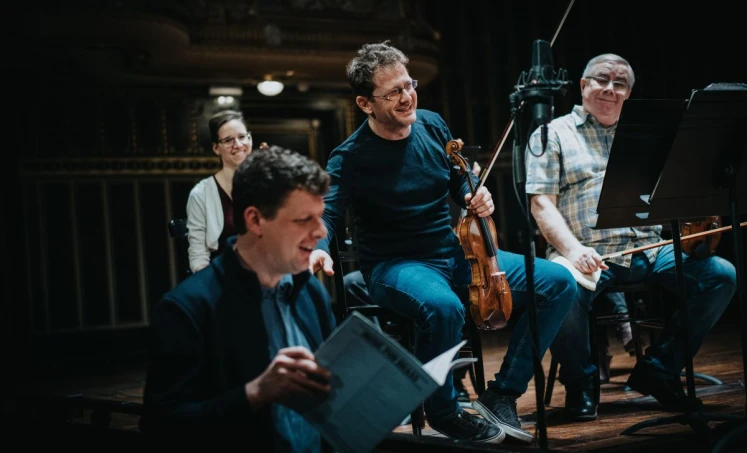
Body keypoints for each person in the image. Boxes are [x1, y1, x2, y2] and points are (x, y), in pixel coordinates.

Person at [309, 41, 577, 444]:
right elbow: (327, 214)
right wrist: (318, 247)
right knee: (443, 307)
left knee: (558, 282)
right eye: (393, 92)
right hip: (395, 267)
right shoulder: (348, 157)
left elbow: (459, 180)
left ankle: (502, 394)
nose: (407, 97)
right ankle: (444, 412)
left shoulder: (432, 125)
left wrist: (475, 193)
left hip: (455, 255)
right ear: (365, 104)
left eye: (409, 85)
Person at [526, 53, 736, 419]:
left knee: (721, 275)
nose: (610, 88)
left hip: (650, 249)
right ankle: (580, 384)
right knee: (559, 285)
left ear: (629, 93)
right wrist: (573, 251)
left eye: (619, 83)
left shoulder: (649, 135)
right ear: (583, 85)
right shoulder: (552, 134)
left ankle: (658, 370)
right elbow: (541, 203)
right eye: (601, 79)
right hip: (586, 252)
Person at [142, 147, 336, 450]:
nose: (321, 231)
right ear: (255, 220)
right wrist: (256, 393)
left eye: (320, 217)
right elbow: (162, 428)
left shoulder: (311, 291)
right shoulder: (186, 308)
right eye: (303, 220)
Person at [186, 110, 253, 273]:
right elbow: (198, 255)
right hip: (222, 276)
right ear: (216, 148)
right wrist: (210, 283)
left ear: (250, 139)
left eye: (242, 137)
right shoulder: (200, 194)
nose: (238, 144)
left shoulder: (268, 185)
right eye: (228, 140)